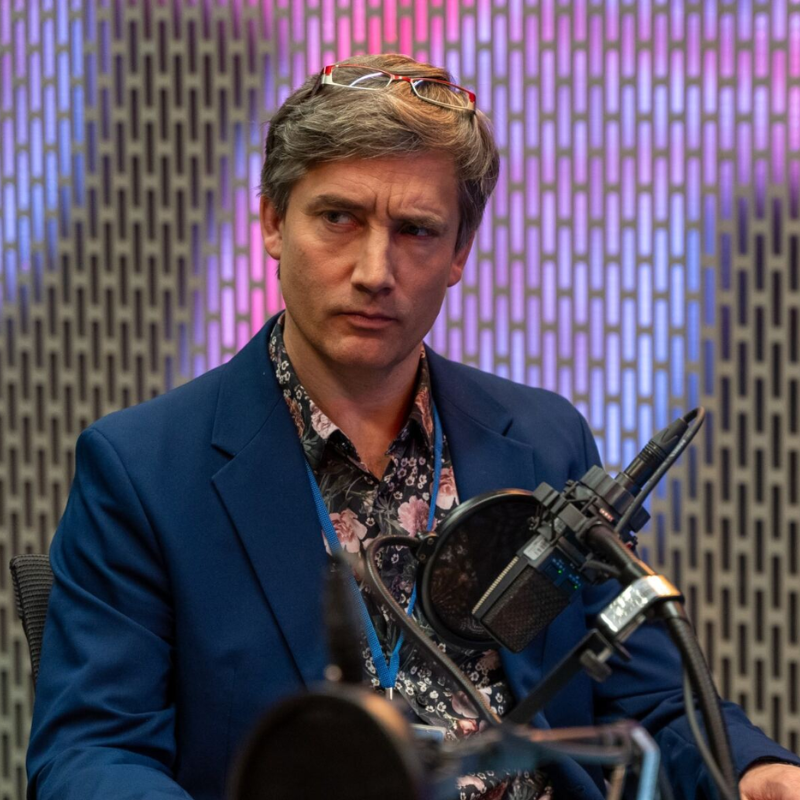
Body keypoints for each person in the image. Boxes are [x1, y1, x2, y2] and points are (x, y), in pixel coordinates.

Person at [27, 54, 800, 800]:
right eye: (338, 218)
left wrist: (755, 770)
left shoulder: (545, 440)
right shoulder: (143, 471)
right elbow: (92, 754)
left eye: (417, 230)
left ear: (460, 251)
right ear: (272, 222)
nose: (374, 271)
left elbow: (654, 700)